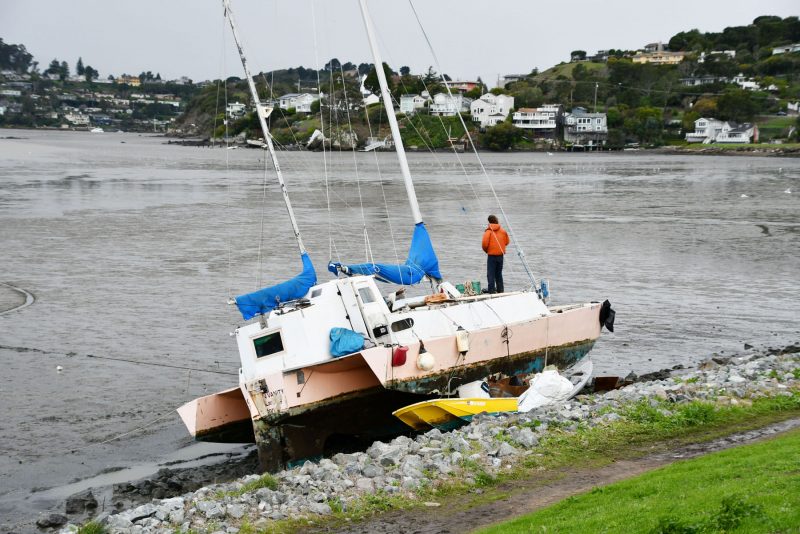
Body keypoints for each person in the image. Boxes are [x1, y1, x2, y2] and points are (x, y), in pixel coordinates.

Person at [481, 214, 510, 293]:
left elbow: (484, 244)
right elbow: (507, 242)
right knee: (498, 273)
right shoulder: (503, 231)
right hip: (500, 256)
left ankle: (491, 290)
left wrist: (487, 250)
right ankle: (500, 290)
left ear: (489, 222)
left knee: (491, 274)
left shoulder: (489, 231)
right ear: (496, 221)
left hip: (491, 256)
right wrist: (500, 247)